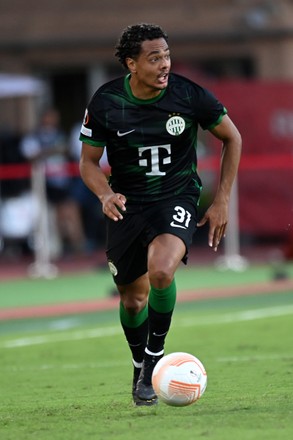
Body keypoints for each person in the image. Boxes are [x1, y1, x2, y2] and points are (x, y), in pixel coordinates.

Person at [79, 23, 242, 406]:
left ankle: (154, 360)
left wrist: (221, 201)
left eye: (166, 55)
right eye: (154, 58)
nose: (164, 64)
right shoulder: (106, 101)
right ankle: (139, 364)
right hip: (126, 205)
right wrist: (104, 194)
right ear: (132, 64)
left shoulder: (188, 94)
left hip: (176, 198)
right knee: (133, 301)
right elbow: (88, 162)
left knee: (162, 272)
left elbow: (232, 138)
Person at [20, 108, 86, 256]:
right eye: (49, 117)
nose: (52, 121)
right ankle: (54, 251)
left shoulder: (60, 134)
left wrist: (55, 151)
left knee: (70, 212)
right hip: (42, 183)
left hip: (62, 180)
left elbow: (69, 151)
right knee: (49, 218)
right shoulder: (34, 137)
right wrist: (51, 151)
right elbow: (30, 155)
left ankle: (78, 248)